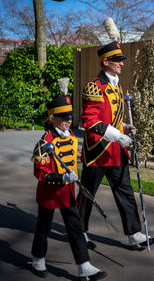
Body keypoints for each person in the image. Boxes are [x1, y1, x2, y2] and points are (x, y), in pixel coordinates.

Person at [77, 41, 154, 251]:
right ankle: (79, 233)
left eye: (122, 60)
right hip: (97, 152)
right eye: (118, 60)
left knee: (125, 192)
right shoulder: (94, 86)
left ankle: (134, 234)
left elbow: (111, 117)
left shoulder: (117, 85)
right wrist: (116, 135)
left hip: (116, 152)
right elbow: (89, 121)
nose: (122, 64)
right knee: (87, 197)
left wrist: (124, 128)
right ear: (106, 62)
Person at [31, 95, 107, 280]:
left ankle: (84, 266)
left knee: (76, 228)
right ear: (52, 118)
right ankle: (38, 258)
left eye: (70, 116)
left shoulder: (72, 137)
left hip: (67, 194)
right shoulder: (44, 143)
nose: (69, 119)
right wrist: (62, 177)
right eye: (64, 116)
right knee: (44, 228)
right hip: (49, 194)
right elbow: (40, 174)